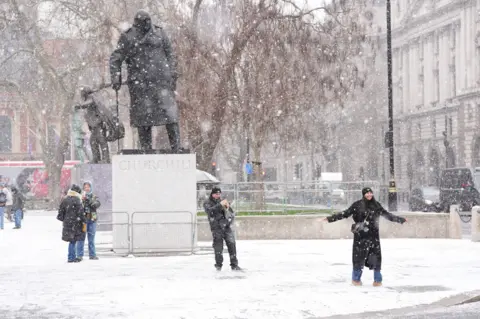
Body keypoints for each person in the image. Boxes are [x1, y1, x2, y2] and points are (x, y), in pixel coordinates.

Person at [109, 10, 181, 152]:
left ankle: (176, 148)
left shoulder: (160, 34)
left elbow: (170, 54)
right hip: (140, 86)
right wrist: (115, 75)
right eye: (142, 23)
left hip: (162, 84)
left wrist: (172, 73)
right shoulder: (128, 37)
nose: (146, 25)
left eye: (147, 22)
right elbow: (116, 58)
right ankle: (146, 150)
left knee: (171, 116)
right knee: (143, 120)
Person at [324, 187, 406, 286]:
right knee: (358, 259)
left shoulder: (376, 205)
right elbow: (345, 214)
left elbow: (387, 215)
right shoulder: (357, 205)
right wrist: (330, 219)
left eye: (370, 192)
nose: (369, 195)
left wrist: (400, 219)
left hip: (373, 236)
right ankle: (356, 280)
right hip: (361, 236)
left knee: (376, 258)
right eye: (367, 193)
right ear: (363, 194)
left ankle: (377, 281)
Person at [203, 187, 242, 271]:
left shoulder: (223, 201)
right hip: (216, 228)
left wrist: (229, 219)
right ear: (212, 194)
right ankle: (218, 265)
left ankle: (234, 265)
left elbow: (231, 213)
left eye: (219, 194)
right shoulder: (207, 202)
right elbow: (210, 211)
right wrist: (219, 205)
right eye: (216, 194)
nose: (218, 195)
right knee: (218, 248)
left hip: (226, 227)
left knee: (232, 244)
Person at [57, 184, 86, 263]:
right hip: (76, 223)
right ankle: (72, 257)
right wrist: (83, 221)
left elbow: (60, 215)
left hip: (67, 224)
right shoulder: (77, 200)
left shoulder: (65, 199)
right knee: (74, 240)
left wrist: (66, 219)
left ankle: (70, 257)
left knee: (71, 241)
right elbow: (81, 213)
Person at [76, 181, 101, 260]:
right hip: (83, 221)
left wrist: (90, 200)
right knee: (81, 238)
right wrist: (83, 200)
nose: (87, 188)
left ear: (90, 188)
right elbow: (77, 206)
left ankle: (92, 255)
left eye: (88, 187)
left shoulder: (93, 196)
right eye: (85, 187)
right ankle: (79, 255)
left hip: (92, 220)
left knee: (91, 239)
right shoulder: (80, 196)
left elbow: (97, 204)